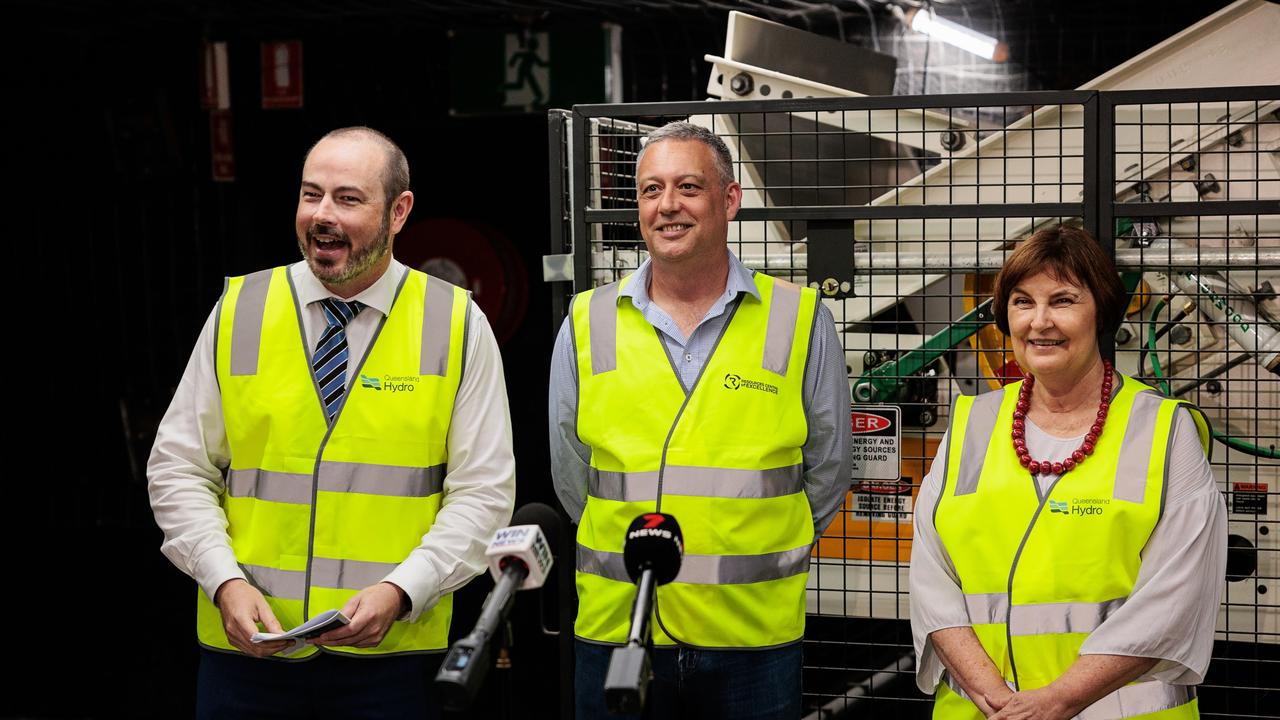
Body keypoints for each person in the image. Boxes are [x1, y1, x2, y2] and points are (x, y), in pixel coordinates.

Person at [148, 126, 515, 719]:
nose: (322, 216)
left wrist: (403, 592)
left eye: (347, 199)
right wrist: (222, 581)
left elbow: (484, 493)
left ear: (399, 212)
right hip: (246, 658)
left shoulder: (457, 324)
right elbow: (177, 467)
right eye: (310, 194)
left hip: (393, 662)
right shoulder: (239, 309)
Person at [548, 121, 852, 719]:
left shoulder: (799, 318)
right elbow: (570, 473)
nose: (668, 206)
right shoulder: (587, 321)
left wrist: (754, 548)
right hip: (618, 631)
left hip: (752, 637)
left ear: (729, 199)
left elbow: (828, 467)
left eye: (688, 187)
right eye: (650, 190)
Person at [909, 225, 1226, 720]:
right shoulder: (971, 423)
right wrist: (998, 700)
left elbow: (1174, 600)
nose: (1039, 322)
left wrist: (1056, 702)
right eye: (1021, 302)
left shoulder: (1165, 432)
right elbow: (933, 578)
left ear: (1099, 310)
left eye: (1062, 300)